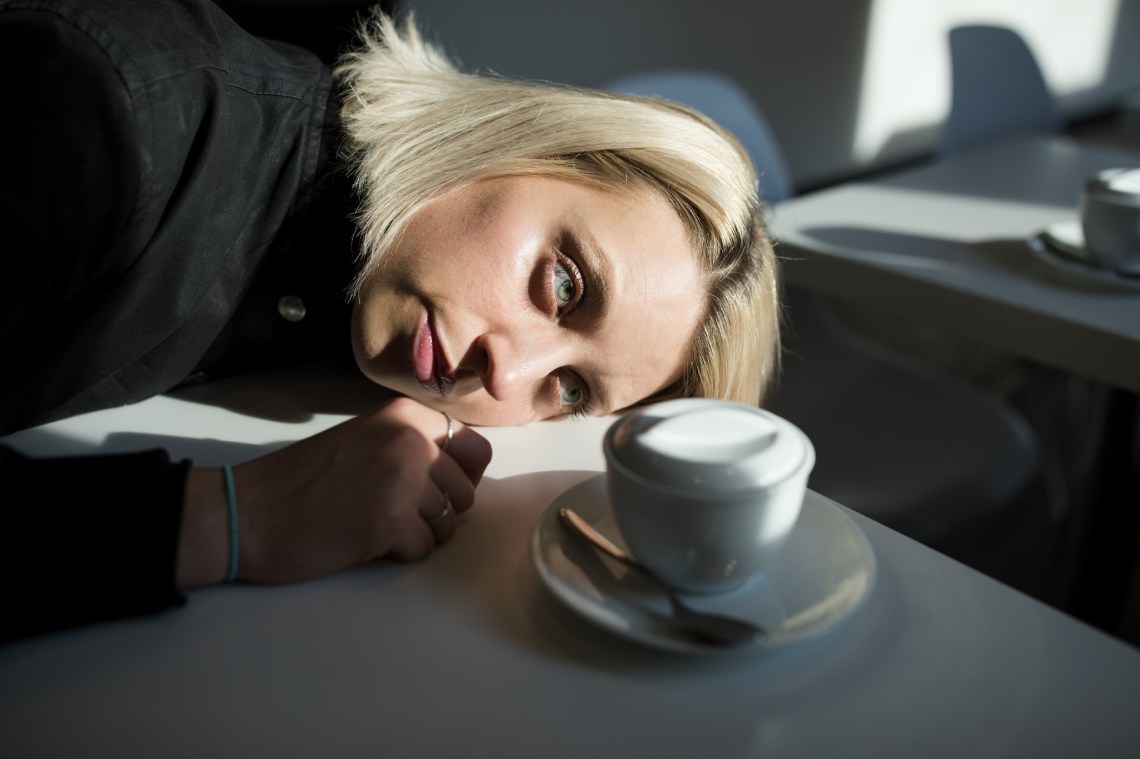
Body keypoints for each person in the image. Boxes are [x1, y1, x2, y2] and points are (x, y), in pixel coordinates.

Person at [0, 0, 781, 642]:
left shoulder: (368, 286)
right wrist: (235, 517)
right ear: (522, 140)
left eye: (570, 388)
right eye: (561, 282)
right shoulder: (108, 114)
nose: (507, 375)